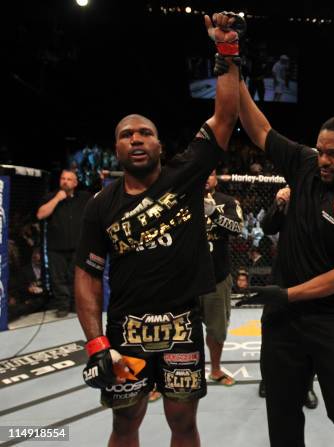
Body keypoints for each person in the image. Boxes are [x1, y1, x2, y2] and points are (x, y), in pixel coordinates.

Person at [74, 13, 241, 447]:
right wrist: (95, 342)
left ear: (159, 144)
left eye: (145, 132)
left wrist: (226, 51)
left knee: (183, 424)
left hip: (183, 325)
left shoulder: (183, 176)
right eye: (127, 134)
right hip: (126, 331)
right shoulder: (100, 206)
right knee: (124, 424)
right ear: (116, 148)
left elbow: (224, 118)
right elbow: (88, 274)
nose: (136, 138)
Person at [216, 54, 334, 446]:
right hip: (283, 325)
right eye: (320, 150)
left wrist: (287, 294)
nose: (323, 160)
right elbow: (258, 128)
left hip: (333, 324)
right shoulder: (306, 166)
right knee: (281, 414)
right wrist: (231, 63)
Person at [258, 186, 319, 409]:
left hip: (313, 280)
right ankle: (268, 379)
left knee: (309, 335)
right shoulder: (290, 197)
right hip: (282, 278)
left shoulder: (325, 201)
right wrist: (279, 203)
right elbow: (266, 227)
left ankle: (306, 386)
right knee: (271, 330)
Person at [199, 169, 244, 386]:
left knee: (217, 328)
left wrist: (214, 214)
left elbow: (237, 228)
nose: (206, 176)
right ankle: (178, 372)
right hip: (184, 278)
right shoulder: (180, 200)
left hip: (217, 276)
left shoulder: (227, 202)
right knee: (180, 330)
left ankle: (215, 370)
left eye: (211, 173)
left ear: (215, 178)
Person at [37, 169, 91, 317]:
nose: (65, 181)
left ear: (75, 183)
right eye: (63, 178)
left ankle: (75, 305)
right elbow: (41, 215)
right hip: (56, 247)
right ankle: (62, 306)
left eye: (68, 179)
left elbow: (99, 203)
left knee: (77, 277)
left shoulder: (84, 197)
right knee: (58, 279)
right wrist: (57, 199)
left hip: (78, 247)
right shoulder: (50, 197)